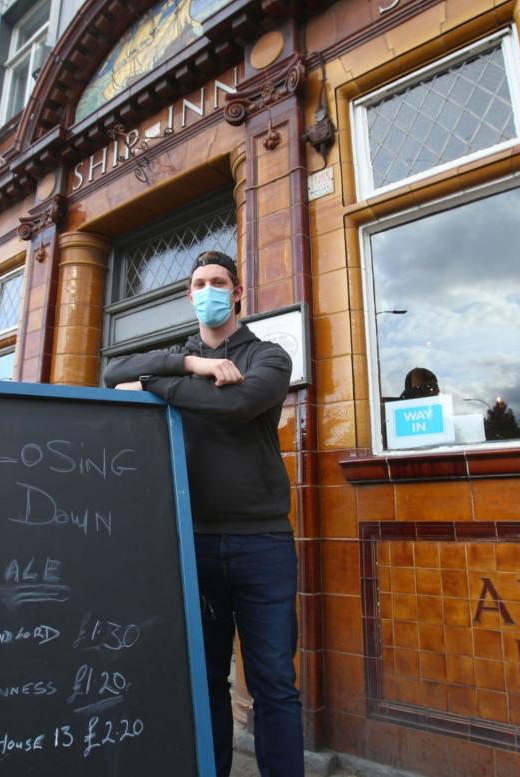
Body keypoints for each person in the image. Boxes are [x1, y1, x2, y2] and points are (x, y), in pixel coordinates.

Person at [104, 250, 303, 777]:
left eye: (219, 282)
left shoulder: (269, 357)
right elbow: (111, 371)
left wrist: (154, 386)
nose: (209, 290)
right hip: (193, 543)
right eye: (199, 283)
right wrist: (190, 366)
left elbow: (235, 405)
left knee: (273, 683)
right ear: (189, 295)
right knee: (206, 678)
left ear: (237, 293)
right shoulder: (179, 354)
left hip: (262, 543)